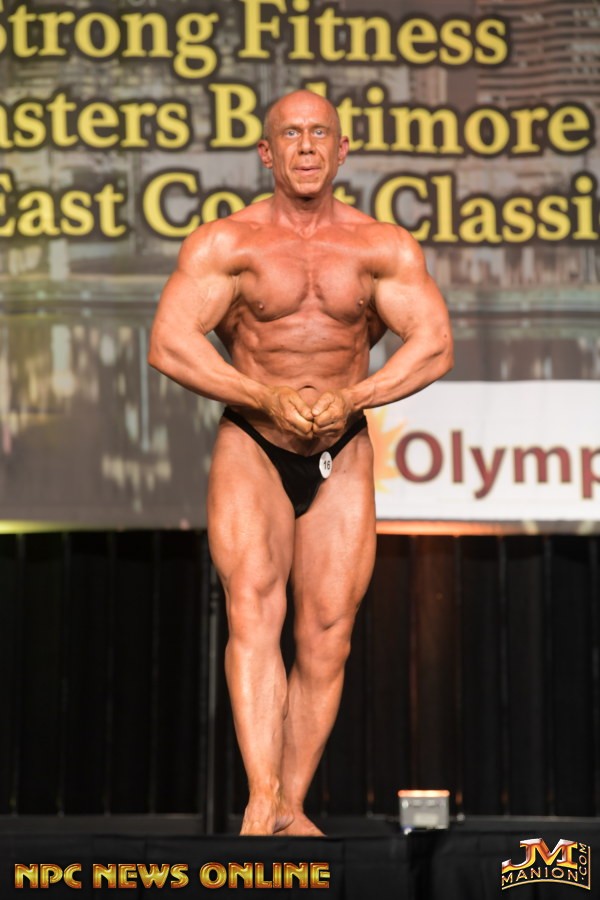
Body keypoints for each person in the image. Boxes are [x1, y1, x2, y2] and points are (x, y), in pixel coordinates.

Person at [148, 89, 453, 836]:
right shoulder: (228, 244)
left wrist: (355, 398)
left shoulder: (381, 248)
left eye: (320, 133)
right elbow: (170, 342)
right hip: (254, 443)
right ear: (267, 151)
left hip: (341, 449)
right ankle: (261, 797)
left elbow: (435, 343)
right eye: (291, 134)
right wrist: (263, 396)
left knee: (327, 633)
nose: (307, 146)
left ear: (342, 150)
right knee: (254, 609)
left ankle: (291, 802)